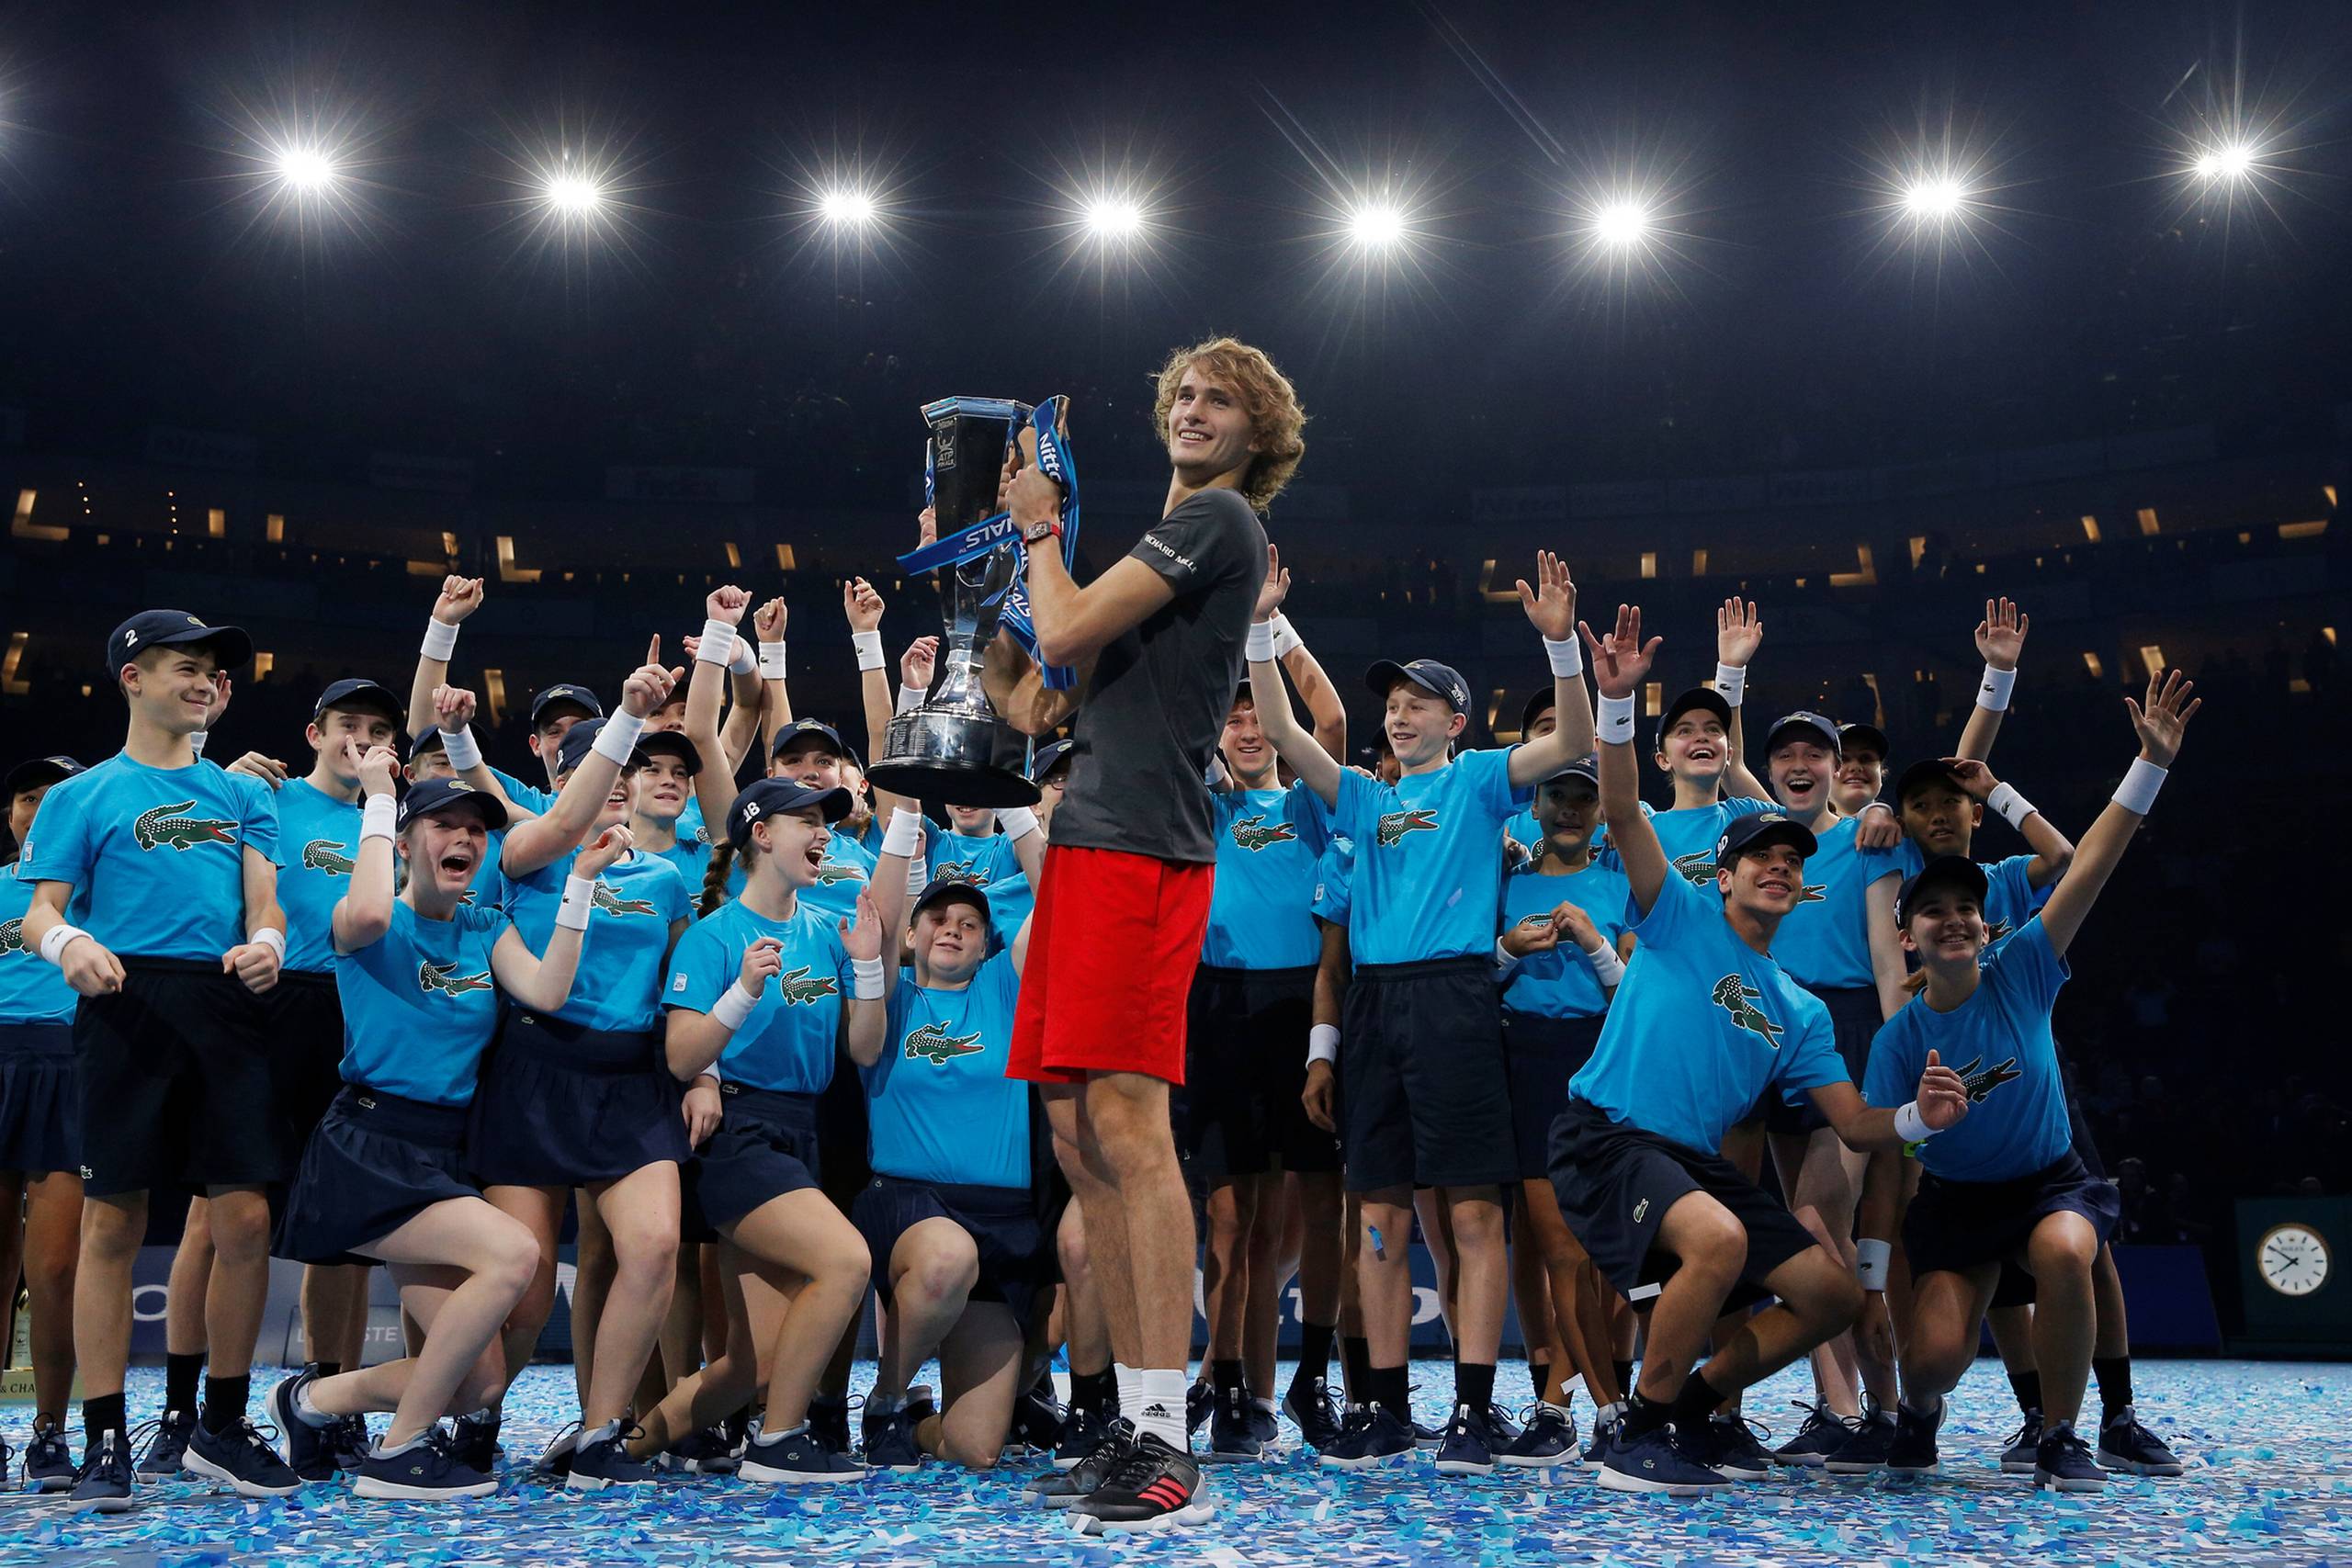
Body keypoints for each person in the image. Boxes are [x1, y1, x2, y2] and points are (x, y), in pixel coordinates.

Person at [1548, 604, 1970, 1497]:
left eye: (1790, 858)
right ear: (1725, 875)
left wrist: (1913, 1117)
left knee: (1827, 1295)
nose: (1776, 865)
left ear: (1803, 883)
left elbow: (1852, 1125)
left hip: (1689, 1162)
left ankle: (1695, 1406)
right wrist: (1616, 708)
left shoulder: (1800, 1008)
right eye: (1757, 857)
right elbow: (1622, 807)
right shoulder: (1674, 911)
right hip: (1607, 1138)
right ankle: (1639, 1428)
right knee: (1719, 1241)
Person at [991, 338, 1299, 1534]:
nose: (1192, 406)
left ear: (1257, 434)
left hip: (1142, 852)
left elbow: (1061, 631)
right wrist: (994, 580)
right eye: (1182, 391)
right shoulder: (1145, 557)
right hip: (1084, 851)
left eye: (1219, 397)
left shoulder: (1222, 520)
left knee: (1128, 1115)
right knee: (1076, 1125)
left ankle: (1168, 1432)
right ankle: (1127, 1411)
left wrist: (1033, 533)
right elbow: (1030, 695)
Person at [1244, 551, 1596, 1476]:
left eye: (1417, 703)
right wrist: (1259, 625)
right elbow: (1280, 724)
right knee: (1379, 1217)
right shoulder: (1361, 797)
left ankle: (1474, 1413)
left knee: (1475, 1219)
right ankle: (1388, 1409)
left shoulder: (1480, 779)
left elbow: (1567, 746)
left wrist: (1561, 648)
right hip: (1373, 1009)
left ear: (1457, 719)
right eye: (1391, 704)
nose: (1398, 714)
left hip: (1454, 1000)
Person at [1855, 670, 2199, 1494]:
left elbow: (2094, 860)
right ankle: (1922, 1410)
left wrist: (2149, 764)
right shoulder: (1901, 1037)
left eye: (1965, 910)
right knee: (1934, 1359)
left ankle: (2064, 1431)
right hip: (1961, 1201)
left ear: (1984, 921)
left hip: (2048, 1180)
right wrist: (1912, 1119)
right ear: (1909, 938)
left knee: (2069, 1251)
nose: (1955, 919)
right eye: (1933, 912)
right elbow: (1865, 1130)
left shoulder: (2025, 964)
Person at [270, 767, 616, 1499]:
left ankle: (310, 1402)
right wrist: (378, 795)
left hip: (441, 1152)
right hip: (368, 1148)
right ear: (402, 840)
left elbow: (549, 990)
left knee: (478, 1382)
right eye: (442, 824)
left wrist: (580, 879)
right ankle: (398, 1453)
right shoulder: (366, 921)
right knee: (516, 1252)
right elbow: (365, 914)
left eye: (476, 829)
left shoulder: (484, 926)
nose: (463, 837)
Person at [21, 611, 301, 1511]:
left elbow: (266, 903)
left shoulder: (242, 795)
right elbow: (38, 912)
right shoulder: (81, 796)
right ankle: (105, 1438)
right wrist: (69, 945)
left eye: (215, 673)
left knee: (247, 1220)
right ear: (131, 677)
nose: (206, 683)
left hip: (226, 1005)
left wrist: (266, 941)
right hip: (123, 1008)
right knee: (112, 1225)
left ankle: (220, 1424)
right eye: (186, 667)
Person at [458, 639, 695, 1489]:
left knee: (656, 1245)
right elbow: (561, 823)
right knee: (520, 1289)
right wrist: (626, 716)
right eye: (605, 765)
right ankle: (479, 1416)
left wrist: (697, 1074)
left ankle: (600, 1431)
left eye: (628, 766)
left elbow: (678, 988)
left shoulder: (668, 876)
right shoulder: (522, 851)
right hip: (534, 1070)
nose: (621, 780)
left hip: (629, 1080)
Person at [628, 778, 883, 1485]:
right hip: (738, 1133)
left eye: (826, 821)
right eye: (805, 819)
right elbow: (682, 1057)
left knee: (754, 1362)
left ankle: (626, 1450)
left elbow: (863, 1048)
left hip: (803, 1130)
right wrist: (740, 989)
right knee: (846, 1262)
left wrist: (866, 960)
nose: (823, 833)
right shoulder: (713, 937)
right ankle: (778, 1442)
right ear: (761, 834)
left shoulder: (826, 932)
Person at [211, 678, 411, 1481]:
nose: (360, 740)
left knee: (348, 1230)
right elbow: (201, 851)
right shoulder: (265, 797)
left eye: (376, 729)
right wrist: (219, 777)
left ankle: (328, 1402)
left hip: (362, 1011)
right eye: (345, 726)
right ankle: (194, 1410)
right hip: (268, 1009)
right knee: (223, 1214)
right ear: (313, 731)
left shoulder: (396, 814)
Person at [1190, 576, 1347, 1463]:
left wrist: (1270, 626)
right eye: (1235, 719)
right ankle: (1236, 1386)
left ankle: (1311, 1374)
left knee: (1319, 1209)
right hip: (1221, 1009)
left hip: (1309, 1003)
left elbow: (1325, 718)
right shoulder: (1202, 805)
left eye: (1259, 719)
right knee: (1234, 1223)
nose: (1248, 732)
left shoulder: (1310, 799)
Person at [851, 792, 1047, 1470]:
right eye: (937, 916)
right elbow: (874, 921)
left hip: (1004, 1219)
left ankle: (920, 1426)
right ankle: (885, 1398)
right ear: (911, 932)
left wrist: (1017, 807)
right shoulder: (889, 993)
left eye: (970, 920)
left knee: (976, 1448)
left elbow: (1056, 899)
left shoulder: (1006, 987)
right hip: (911, 1207)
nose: (953, 928)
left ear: (988, 938)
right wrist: (904, 817)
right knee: (945, 1260)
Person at [1744, 711, 1908, 1465]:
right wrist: (1732, 671)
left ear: (1839, 768)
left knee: (1820, 1223)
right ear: (1772, 770)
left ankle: (1870, 1408)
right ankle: (1851, 1408)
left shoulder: (1868, 839)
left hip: (1843, 1032)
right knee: (1803, 1224)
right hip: (1767, 1027)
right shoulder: (1764, 844)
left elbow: (1885, 953)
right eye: (1787, 754)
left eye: (1816, 752)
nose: (1800, 762)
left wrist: (1903, 1049)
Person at [1493, 755, 1632, 1463]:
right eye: (1559, 796)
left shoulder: (1622, 881)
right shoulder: (1506, 883)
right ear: (1535, 806)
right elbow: (1473, 979)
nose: (1571, 809)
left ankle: (1576, 1402)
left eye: (1585, 797)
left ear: (1603, 810)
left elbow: (1640, 990)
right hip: (1531, 1063)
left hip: (1606, 1061)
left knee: (1606, 1253)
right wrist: (1509, 951)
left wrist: (1599, 947)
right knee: (1557, 1249)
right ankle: (1599, 1407)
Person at [0, 755, 87, 1493]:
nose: (41, 808)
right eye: (29, 796)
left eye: (58, 797)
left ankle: (52, 1432)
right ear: (12, 813)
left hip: (71, 1072)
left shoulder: (105, 894)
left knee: (55, 1269)